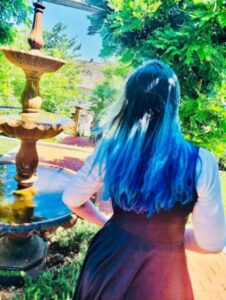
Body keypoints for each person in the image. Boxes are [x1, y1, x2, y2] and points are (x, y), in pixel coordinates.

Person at [63, 60, 226, 300]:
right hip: (163, 277)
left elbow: (72, 199)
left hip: (106, 264)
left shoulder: (110, 149)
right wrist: (167, 235)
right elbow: (212, 244)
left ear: (128, 102)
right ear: (174, 104)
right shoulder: (201, 162)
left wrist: (108, 223)